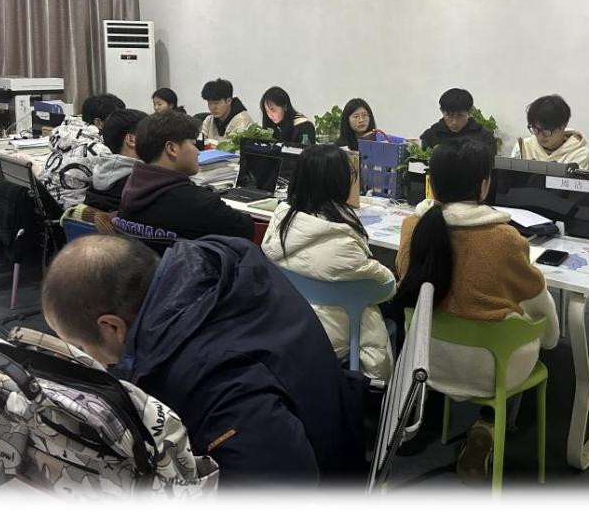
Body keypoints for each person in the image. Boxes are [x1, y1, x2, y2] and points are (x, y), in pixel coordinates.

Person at [41, 234, 367, 506]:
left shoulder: (208, 377)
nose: (86, 356)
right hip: (328, 420)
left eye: (81, 347)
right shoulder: (215, 263)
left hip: (316, 480)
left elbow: (280, 491)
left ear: (112, 326)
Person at [393, 138, 558, 488]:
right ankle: (489, 423)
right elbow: (542, 311)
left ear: (432, 181)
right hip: (488, 369)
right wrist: (547, 337)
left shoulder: (412, 227)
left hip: (425, 359)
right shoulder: (504, 239)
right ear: (484, 184)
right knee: (522, 329)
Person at [262, 144, 396, 380]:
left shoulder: (280, 221)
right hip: (332, 334)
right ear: (339, 182)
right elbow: (386, 286)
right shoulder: (342, 240)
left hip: (287, 322)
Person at [117, 111, 254, 240]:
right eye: (194, 144)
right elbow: (246, 229)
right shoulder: (198, 202)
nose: (198, 152)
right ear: (172, 148)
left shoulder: (127, 187)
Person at [39, 93, 126, 208]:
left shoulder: (65, 135)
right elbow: (113, 186)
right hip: (72, 211)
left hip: (50, 205)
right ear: (98, 123)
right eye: (116, 119)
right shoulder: (98, 150)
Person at [84, 109, 148, 212]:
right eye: (150, 135)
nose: (155, 140)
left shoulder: (97, 174)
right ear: (131, 139)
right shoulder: (142, 183)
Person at [510, 94, 589, 171]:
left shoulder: (580, 154)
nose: (540, 136)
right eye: (535, 129)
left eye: (546, 130)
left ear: (564, 125)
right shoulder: (523, 147)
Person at [420, 88, 496, 154]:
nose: (454, 122)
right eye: (449, 116)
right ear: (442, 111)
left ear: (470, 112)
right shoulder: (431, 135)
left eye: (460, 116)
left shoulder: (485, 137)